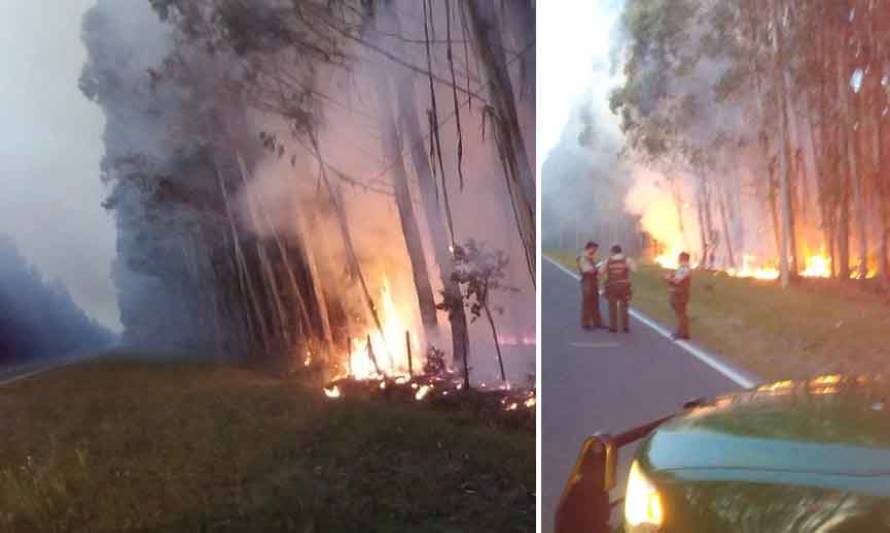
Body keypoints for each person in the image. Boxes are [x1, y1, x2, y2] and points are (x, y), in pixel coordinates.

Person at [603, 244, 633, 333]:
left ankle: (613, 327)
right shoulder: (627, 260)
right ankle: (625, 327)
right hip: (624, 286)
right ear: (621, 251)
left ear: (612, 251)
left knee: (612, 307)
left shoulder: (608, 261)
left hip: (612, 286)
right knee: (624, 306)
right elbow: (635, 269)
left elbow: (601, 271)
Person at [664, 252, 692, 340]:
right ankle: (683, 332)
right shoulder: (682, 268)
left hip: (680, 294)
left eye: (680, 258)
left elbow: (677, 281)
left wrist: (668, 278)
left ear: (683, 258)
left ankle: (682, 333)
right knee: (680, 313)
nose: (678, 259)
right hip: (679, 293)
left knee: (681, 313)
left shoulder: (685, 269)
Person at [576, 241, 603, 330]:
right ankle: (586, 323)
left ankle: (597, 323)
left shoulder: (590, 257)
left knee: (595, 302)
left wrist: (596, 268)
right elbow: (587, 270)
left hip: (593, 280)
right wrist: (596, 267)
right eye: (594, 249)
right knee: (587, 302)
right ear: (590, 247)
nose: (595, 251)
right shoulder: (583, 257)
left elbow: (593, 269)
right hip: (587, 280)